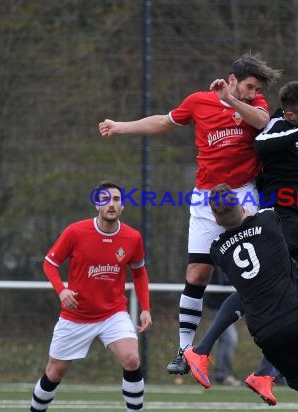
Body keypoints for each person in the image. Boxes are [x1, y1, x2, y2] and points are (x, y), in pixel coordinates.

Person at [98, 53, 282, 375]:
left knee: (254, 276)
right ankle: (185, 351)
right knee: (197, 274)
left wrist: (233, 101)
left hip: (243, 196)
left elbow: (262, 121)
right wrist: (121, 126)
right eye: (249, 87)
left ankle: (271, 357)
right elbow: (162, 122)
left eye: (257, 89)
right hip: (205, 200)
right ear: (232, 78)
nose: (254, 93)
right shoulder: (198, 102)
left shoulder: (255, 104)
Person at [184, 82, 298, 411]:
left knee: (272, 291)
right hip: (283, 224)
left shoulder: (289, 127)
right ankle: (226, 357)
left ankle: (258, 368)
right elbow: (263, 141)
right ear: (291, 114)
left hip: (295, 223)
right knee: (292, 296)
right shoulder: (280, 127)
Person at [193, 183, 298, 412]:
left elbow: (232, 232)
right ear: (243, 208)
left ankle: (222, 356)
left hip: (266, 332)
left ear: (216, 221)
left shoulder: (218, 251)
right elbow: (267, 212)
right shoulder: (267, 222)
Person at [29, 181, 152, 412]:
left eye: (116, 199)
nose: (111, 204)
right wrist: (62, 290)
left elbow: (139, 273)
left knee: (132, 359)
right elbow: (49, 263)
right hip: (76, 316)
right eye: (105, 199)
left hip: (112, 313)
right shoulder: (75, 231)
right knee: (54, 372)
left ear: (123, 206)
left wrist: (145, 308)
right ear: (97, 205)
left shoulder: (132, 237)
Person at [204, 267, 241, 385]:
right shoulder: (217, 258)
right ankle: (222, 374)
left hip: (227, 304)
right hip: (218, 305)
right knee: (229, 339)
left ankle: (221, 374)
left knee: (224, 339)